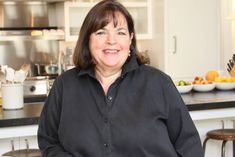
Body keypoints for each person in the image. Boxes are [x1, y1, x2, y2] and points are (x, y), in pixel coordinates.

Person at [37, 0, 204, 156]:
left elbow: (190, 146)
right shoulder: (65, 86)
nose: (112, 41)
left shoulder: (159, 84)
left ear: (130, 39)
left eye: (121, 32)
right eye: (101, 32)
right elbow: (48, 141)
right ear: (88, 39)